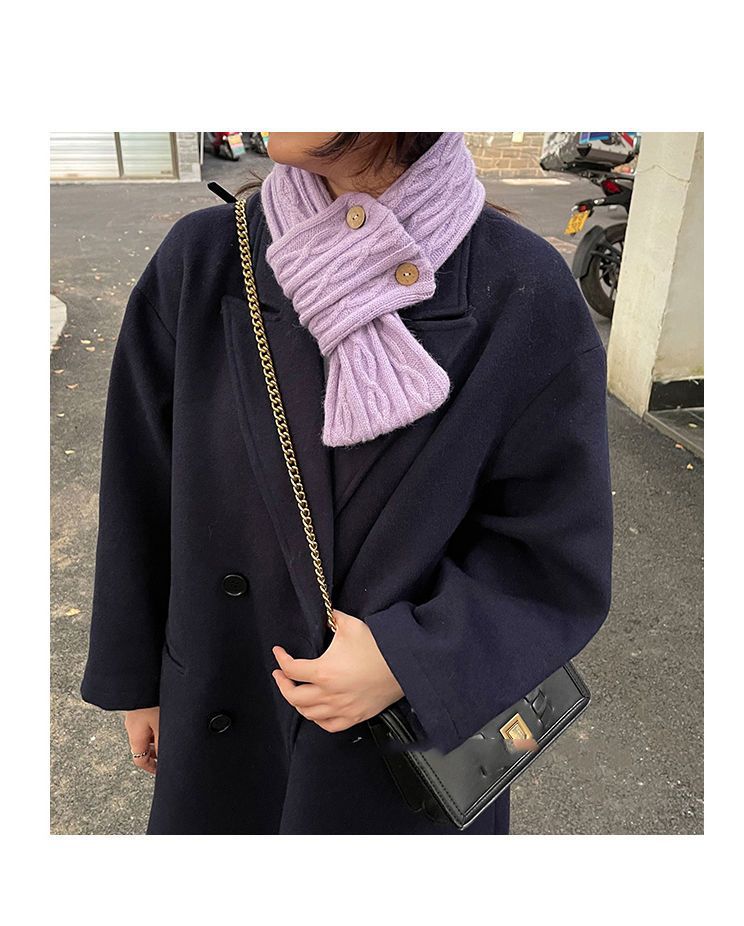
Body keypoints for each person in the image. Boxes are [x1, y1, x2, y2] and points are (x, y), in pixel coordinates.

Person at [80, 132, 614, 835]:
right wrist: (139, 682)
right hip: (220, 685)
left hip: (399, 746)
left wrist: (410, 658)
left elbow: (551, 548)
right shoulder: (203, 260)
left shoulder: (522, 286)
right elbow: (139, 489)